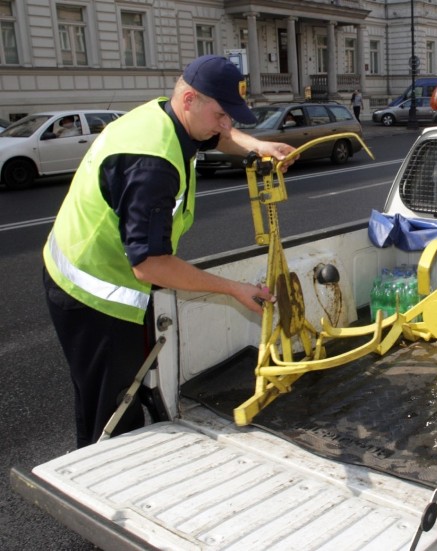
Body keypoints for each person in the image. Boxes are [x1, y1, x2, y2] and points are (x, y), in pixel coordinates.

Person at [43, 55, 298, 448]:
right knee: (111, 411)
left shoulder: (170, 115)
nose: (226, 124)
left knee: (134, 381)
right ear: (190, 99)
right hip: (92, 294)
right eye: (221, 114)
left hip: (111, 278)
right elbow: (149, 264)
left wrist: (257, 144)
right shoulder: (151, 162)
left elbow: (219, 135)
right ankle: (109, 479)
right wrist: (232, 288)